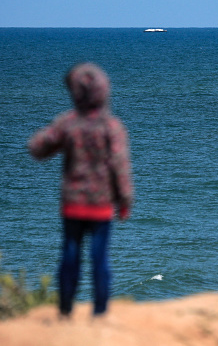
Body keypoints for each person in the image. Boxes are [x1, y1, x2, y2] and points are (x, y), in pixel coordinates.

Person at [28, 63, 133, 317]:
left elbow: (37, 147)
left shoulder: (68, 123)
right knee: (100, 259)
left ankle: (65, 310)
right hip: (101, 204)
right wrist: (125, 199)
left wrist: (56, 144)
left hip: (72, 203)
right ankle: (100, 312)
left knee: (70, 255)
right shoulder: (112, 126)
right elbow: (119, 165)